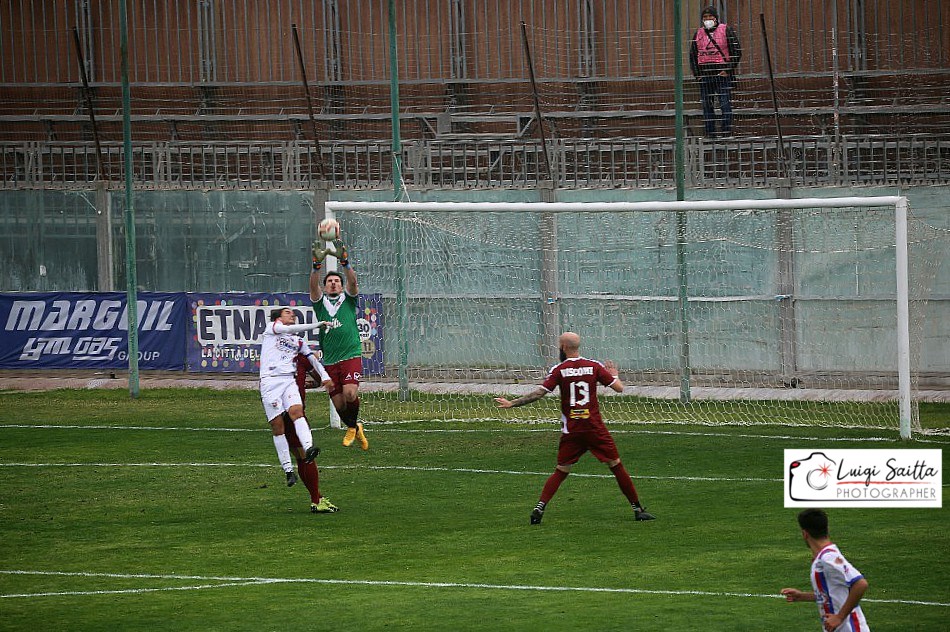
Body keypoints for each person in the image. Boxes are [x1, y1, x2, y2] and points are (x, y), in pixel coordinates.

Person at [494, 332, 656, 525]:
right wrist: (614, 375)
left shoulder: (559, 369)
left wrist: (512, 403)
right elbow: (619, 388)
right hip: (594, 428)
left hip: (572, 430)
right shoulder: (594, 366)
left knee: (561, 470)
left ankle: (540, 507)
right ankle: (637, 509)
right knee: (616, 465)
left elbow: (539, 394)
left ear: (562, 347)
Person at [259, 306, 335, 497]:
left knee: (297, 412)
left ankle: (309, 447)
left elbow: (313, 360)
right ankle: (288, 470)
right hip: (270, 381)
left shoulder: (298, 341)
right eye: (287, 312)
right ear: (278, 317)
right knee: (278, 427)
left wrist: (324, 376)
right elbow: (287, 329)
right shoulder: (272, 328)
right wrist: (318, 324)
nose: (291, 314)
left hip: (287, 380)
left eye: (293, 313)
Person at [310, 237, 369, 450]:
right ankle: (355, 426)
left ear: (341, 286)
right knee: (338, 404)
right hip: (330, 359)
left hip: (351, 353)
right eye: (329, 281)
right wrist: (317, 266)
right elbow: (313, 287)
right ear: (325, 287)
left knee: (350, 394)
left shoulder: (349, 299)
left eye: (337, 281)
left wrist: (345, 262)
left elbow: (353, 282)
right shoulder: (320, 303)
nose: (333, 283)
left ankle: (352, 427)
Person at [781, 508, 871, 632]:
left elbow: (860, 584)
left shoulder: (828, 557)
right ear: (827, 530)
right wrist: (802, 596)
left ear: (805, 534)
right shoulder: (824, 557)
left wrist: (839, 617)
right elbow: (833, 593)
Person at [282, 353, 339, 513]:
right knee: (306, 456)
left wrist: (308, 384)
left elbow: (317, 377)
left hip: (287, 412)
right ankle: (316, 500)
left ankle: (317, 498)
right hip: (290, 413)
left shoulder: (299, 356)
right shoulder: (288, 356)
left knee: (301, 457)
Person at [689, 5, 742, 138]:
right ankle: (710, 133)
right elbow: (693, 56)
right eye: (705, 17)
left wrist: (728, 70)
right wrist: (698, 75)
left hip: (722, 74)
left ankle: (725, 133)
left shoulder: (726, 30)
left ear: (716, 18)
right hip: (705, 75)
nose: (707, 19)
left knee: (725, 105)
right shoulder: (698, 34)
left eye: (710, 17)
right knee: (707, 106)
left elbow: (737, 52)